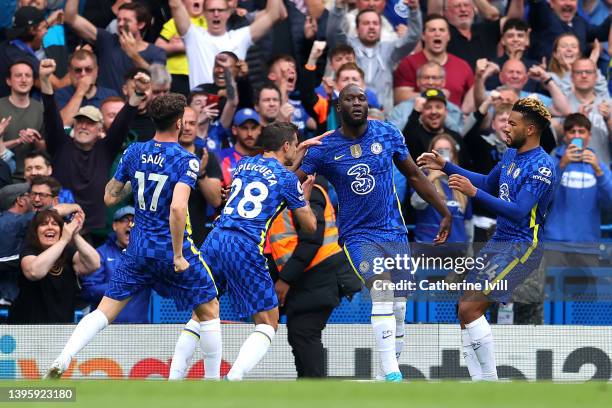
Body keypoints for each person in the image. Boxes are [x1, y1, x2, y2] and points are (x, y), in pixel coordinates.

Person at [45, 93, 220, 379]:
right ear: (178, 123)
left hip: (138, 247)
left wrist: (137, 186)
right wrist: (178, 255)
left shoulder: (134, 152)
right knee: (209, 307)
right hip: (169, 247)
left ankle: (64, 358)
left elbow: (109, 197)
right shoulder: (186, 160)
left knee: (105, 311)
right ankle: (216, 385)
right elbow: (177, 208)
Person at [297, 84, 452, 382]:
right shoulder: (324, 147)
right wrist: (299, 154)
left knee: (399, 304)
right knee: (381, 290)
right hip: (357, 236)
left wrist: (444, 210)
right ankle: (392, 373)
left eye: (361, 99)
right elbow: (292, 181)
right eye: (349, 99)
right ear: (338, 108)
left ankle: (387, 376)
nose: (357, 103)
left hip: (393, 232)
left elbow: (414, 174)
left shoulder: (388, 133)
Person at [417, 97, 556, 381]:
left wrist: (472, 193)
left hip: (521, 245)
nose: (505, 128)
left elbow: (519, 212)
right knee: (464, 309)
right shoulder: (510, 155)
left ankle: (491, 385)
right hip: (499, 241)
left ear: (530, 129)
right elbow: (487, 183)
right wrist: (446, 166)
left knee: (470, 307)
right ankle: (478, 385)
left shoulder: (543, 166)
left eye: (512, 124)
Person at [168, 122, 319, 381]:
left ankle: (174, 379)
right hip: (245, 244)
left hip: (215, 239)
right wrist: (303, 194)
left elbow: (268, 179)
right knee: (268, 321)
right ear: (286, 146)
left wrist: (297, 160)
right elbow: (310, 225)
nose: (297, 148)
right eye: (295, 144)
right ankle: (233, 378)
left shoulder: (243, 165)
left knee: (201, 313)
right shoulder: (287, 180)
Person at [270, 176, 362, 378]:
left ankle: (314, 391)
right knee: (300, 333)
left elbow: (312, 239)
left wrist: (284, 280)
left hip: (320, 274)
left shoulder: (312, 190)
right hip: (306, 276)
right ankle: (308, 391)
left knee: (304, 332)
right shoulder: (291, 188)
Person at [9, 208, 100, 323]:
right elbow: (34, 272)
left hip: (61, 328)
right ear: (36, 231)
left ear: (61, 230)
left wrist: (75, 234)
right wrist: (63, 240)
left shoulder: (68, 252)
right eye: (44, 224)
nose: (50, 227)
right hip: (28, 328)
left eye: (55, 224)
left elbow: (94, 263)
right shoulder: (29, 251)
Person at [63, 0, 166, 93]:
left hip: (138, 108)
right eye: (118, 19)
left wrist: (133, 55)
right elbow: (71, 19)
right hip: (106, 107)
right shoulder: (107, 40)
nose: (120, 24)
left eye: (126, 20)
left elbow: (159, 82)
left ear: (141, 24)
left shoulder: (156, 52)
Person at [80, 206, 152, 323]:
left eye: (134, 221)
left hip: (139, 329)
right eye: (124, 220)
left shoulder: (147, 256)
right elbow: (88, 291)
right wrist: (121, 286)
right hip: (105, 329)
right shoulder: (101, 253)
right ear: (114, 226)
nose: (130, 224)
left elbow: (164, 290)